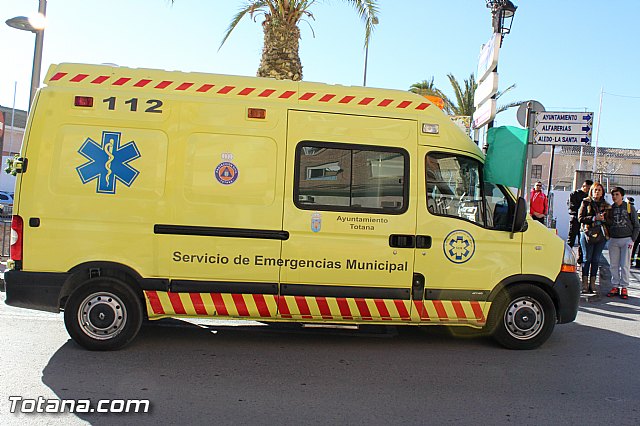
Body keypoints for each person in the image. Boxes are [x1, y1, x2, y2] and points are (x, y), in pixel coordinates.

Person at [606, 188, 640, 299]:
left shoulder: (630, 208)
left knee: (625, 264)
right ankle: (615, 285)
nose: (614, 196)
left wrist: (632, 239)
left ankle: (624, 287)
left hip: (627, 239)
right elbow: (607, 223)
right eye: (613, 194)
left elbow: (636, 225)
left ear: (622, 195)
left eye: (617, 194)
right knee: (613, 264)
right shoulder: (610, 208)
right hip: (614, 239)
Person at [578, 182, 611, 294]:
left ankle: (593, 283)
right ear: (591, 191)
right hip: (587, 233)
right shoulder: (586, 202)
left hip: (601, 235)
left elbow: (611, 222)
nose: (597, 192)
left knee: (596, 259)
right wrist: (593, 218)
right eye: (595, 190)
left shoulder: (606, 205)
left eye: (599, 190)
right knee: (587, 258)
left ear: (602, 192)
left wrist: (603, 219)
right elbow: (580, 218)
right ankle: (585, 283)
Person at [567, 179, 593, 263]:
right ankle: (567, 256)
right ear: (584, 186)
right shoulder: (575, 194)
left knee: (582, 240)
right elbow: (571, 207)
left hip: (584, 221)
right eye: (588, 188)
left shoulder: (590, 197)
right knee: (571, 239)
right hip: (575, 219)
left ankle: (580, 258)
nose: (589, 190)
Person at [628, 197, 640, 268]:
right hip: (635, 234)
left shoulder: (635, 211)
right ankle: (636, 263)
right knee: (632, 248)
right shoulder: (634, 211)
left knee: (633, 248)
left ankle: (631, 261)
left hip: (635, 234)